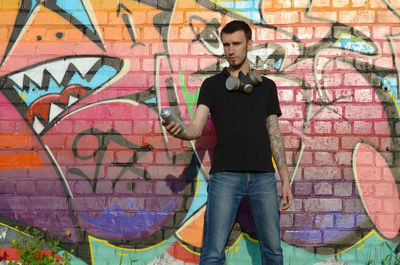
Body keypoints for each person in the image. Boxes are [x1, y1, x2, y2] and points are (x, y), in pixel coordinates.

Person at [162, 20, 293, 265]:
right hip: (225, 177)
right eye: (226, 45)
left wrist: (285, 179)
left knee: (273, 252)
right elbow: (194, 129)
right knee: (212, 253)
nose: (230, 50)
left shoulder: (267, 87)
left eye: (236, 44)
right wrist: (178, 131)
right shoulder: (211, 86)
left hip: (263, 177)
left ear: (249, 44)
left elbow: (274, 135)